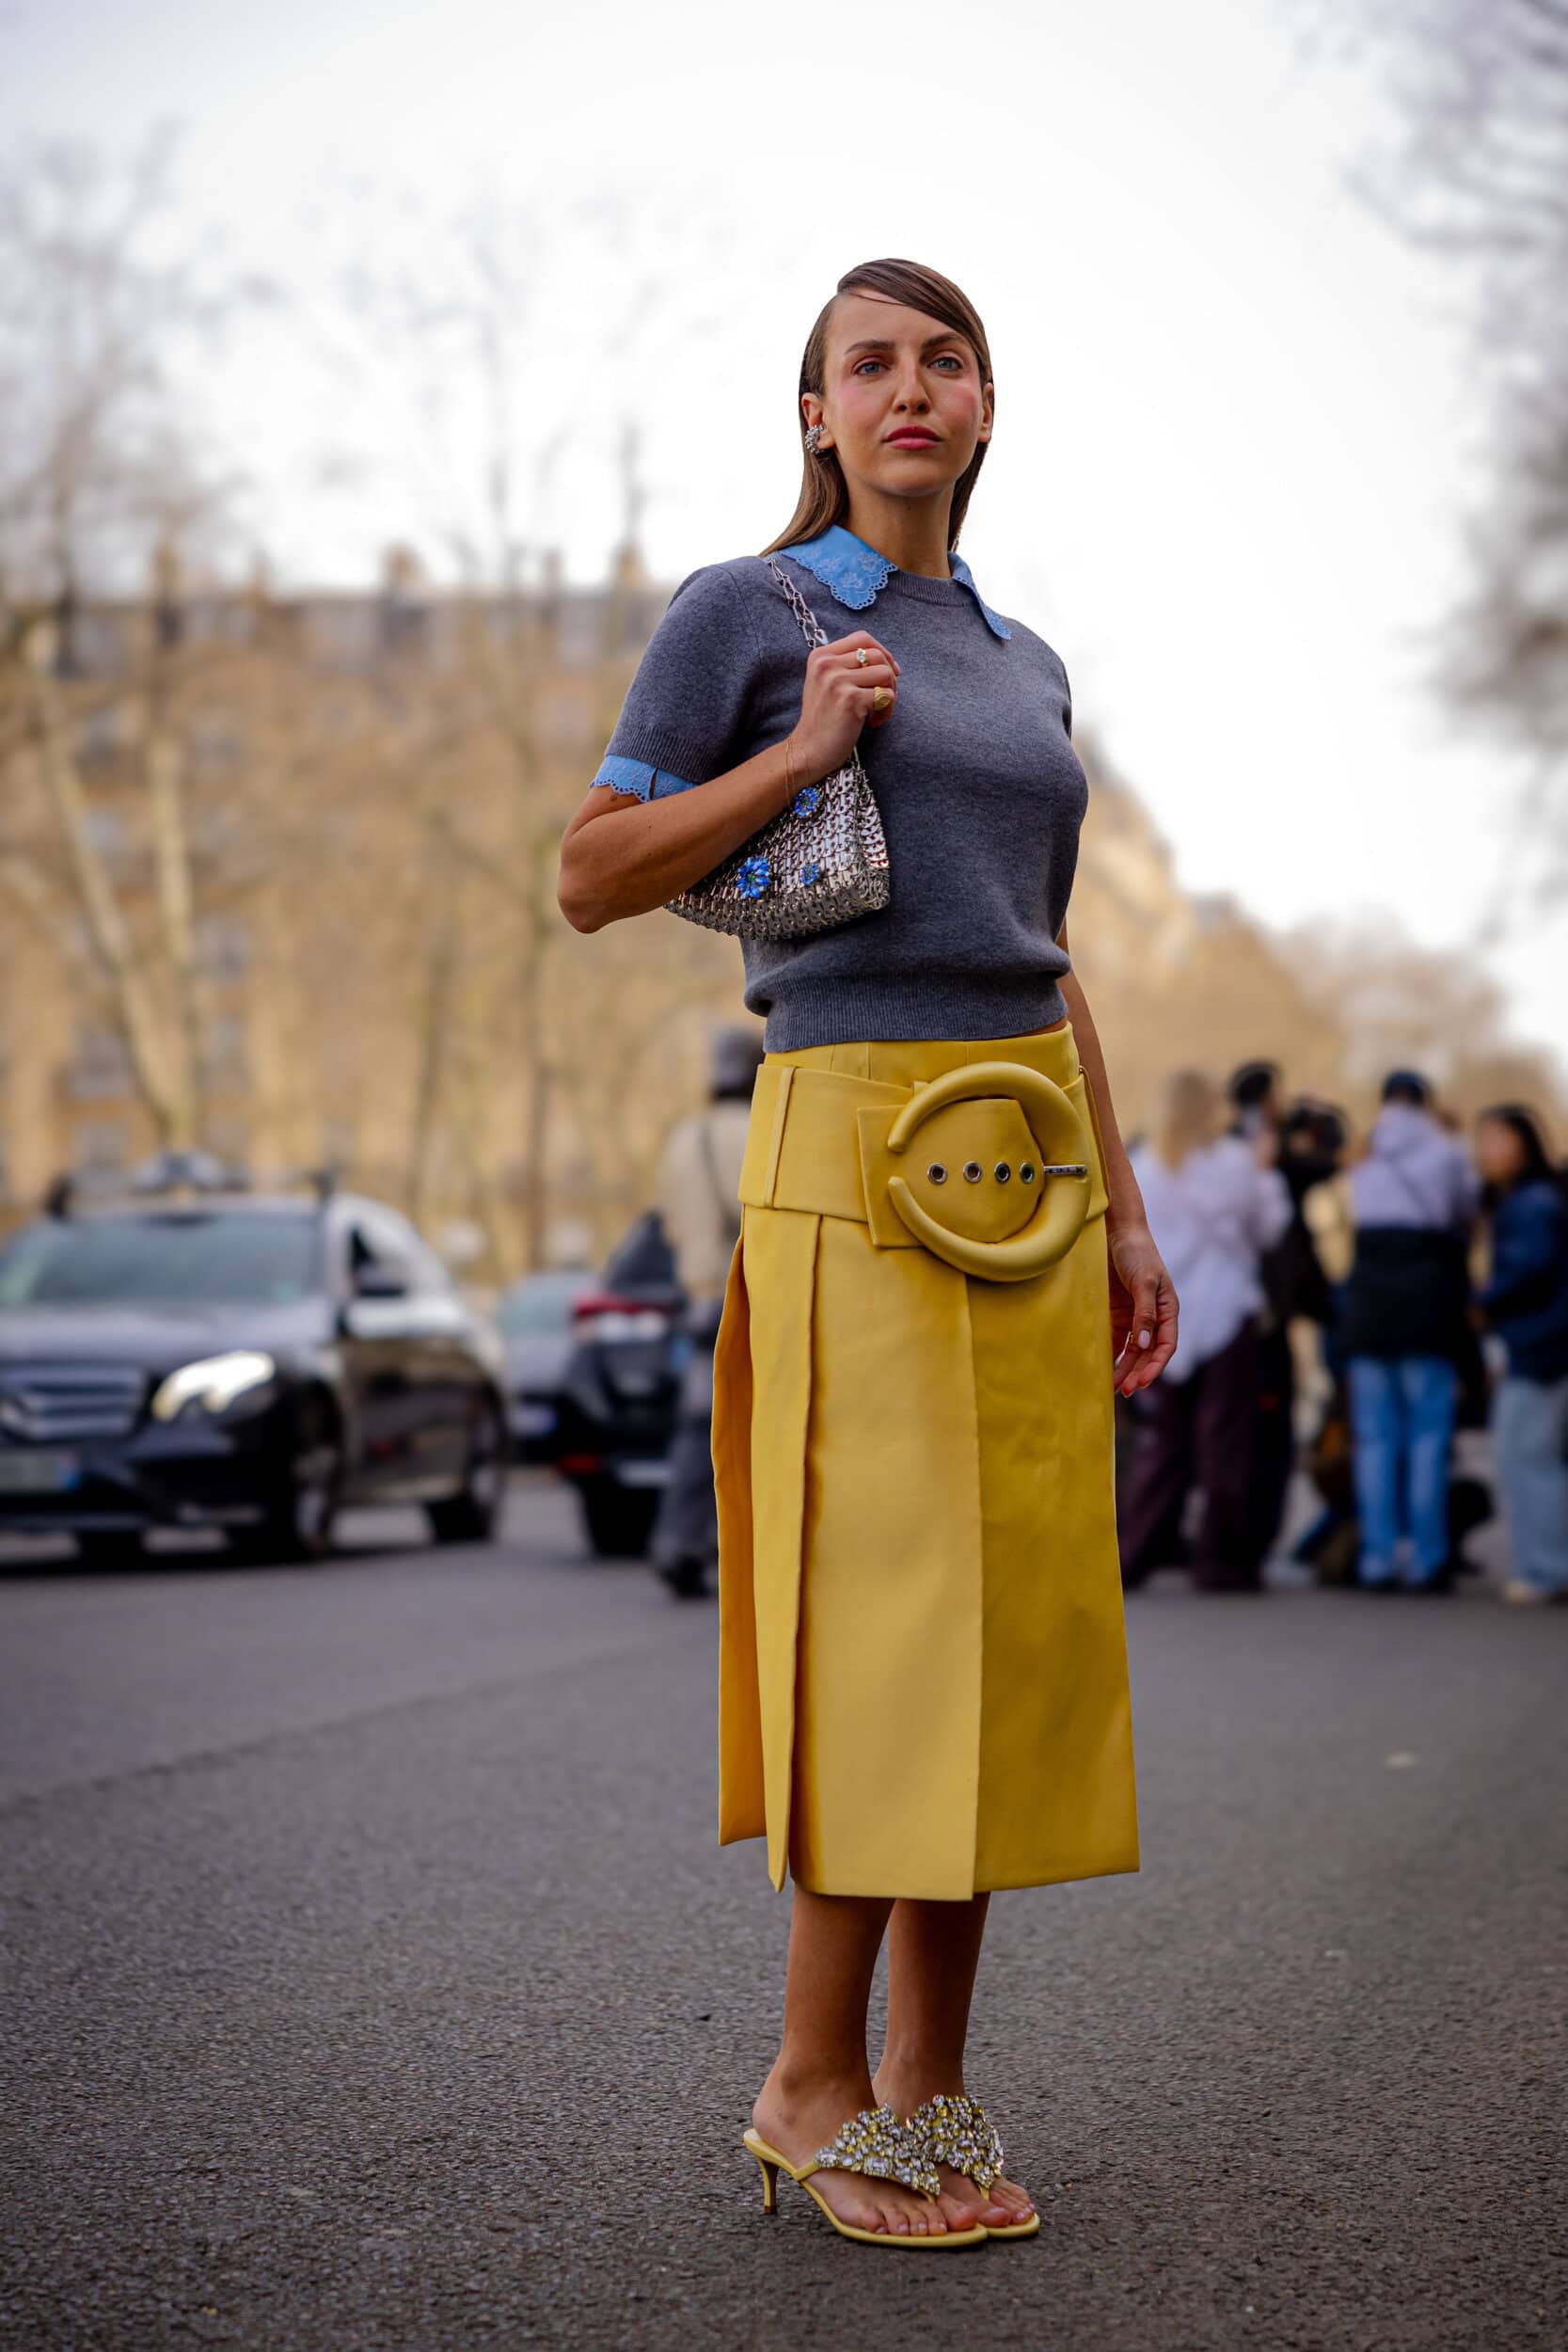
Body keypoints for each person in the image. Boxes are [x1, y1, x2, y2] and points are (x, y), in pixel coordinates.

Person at [558, 258, 1178, 2249]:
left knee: (994, 1640)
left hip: (1028, 1156)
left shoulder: (1022, 659)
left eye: (943, 358)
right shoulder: (748, 612)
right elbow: (591, 872)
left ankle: (923, 2090)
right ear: (813, 412)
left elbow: (1042, 948)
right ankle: (807, 2076)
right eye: (867, 363)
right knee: (884, 1627)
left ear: (982, 404)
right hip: (848, 1141)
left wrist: (1132, 1204)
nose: (909, 387)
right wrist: (801, 752)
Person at [1119, 1072, 1291, 1591]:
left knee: (1162, 1445)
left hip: (1166, 1316)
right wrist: (1267, 1172)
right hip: (1226, 1314)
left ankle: (1134, 1553)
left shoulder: (1146, 1164)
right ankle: (1222, 1559)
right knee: (1226, 1445)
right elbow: (1270, 1230)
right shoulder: (1235, 1162)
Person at [1340, 1069, 1477, 1592]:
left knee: (1375, 1439)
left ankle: (1377, 1558)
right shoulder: (1446, 1151)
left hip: (1370, 1302)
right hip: (1428, 1305)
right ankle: (1427, 1557)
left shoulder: (1363, 1153)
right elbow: (1465, 1210)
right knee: (1428, 1438)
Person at [649, 1023, 766, 1598]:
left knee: (702, 1426)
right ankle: (714, 1543)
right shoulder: (750, 1132)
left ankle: (681, 1540)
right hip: (743, 1294)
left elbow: (670, 1224)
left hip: (696, 1296)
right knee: (757, 1425)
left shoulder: (682, 1139)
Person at [1473, 1105, 1568, 1604]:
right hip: (1543, 1343)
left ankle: (1546, 1569)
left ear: (1523, 1143)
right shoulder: (1536, 1199)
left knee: (1528, 1459)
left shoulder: (1530, 1204)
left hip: (1540, 1348)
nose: (1483, 1152)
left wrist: (1482, 1302)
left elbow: (1528, 1271)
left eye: (1494, 1139)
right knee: (1536, 1458)